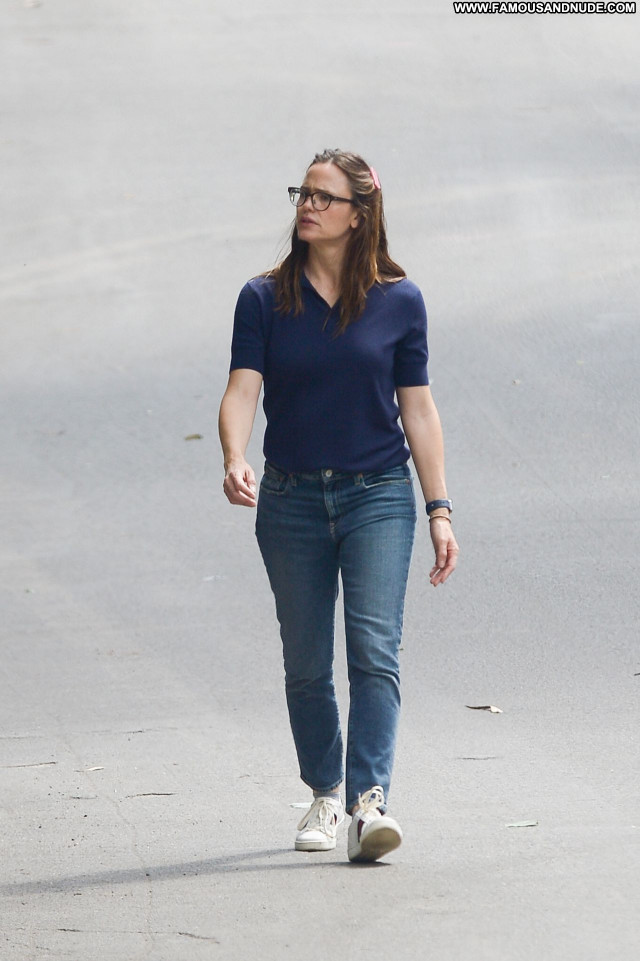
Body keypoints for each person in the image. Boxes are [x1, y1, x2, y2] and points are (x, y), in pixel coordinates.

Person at [218, 148, 458, 862]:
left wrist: (439, 508)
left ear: (359, 214)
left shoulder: (399, 300)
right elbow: (241, 389)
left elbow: (418, 409)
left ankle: (367, 802)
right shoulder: (264, 298)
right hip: (290, 498)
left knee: (375, 651)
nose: (307, 206)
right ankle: (325, 790)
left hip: (377, 493)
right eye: (302, 193)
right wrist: (234, 454)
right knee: (305, 661)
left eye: (323, 197)